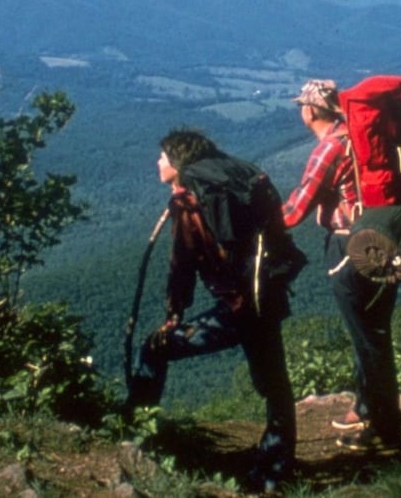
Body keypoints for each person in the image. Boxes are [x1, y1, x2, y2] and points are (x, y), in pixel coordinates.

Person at [124, 128, 299, 492]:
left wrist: (174, 313)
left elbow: (182, 263)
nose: (157, 163)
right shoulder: (238, 179)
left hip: (237, 306)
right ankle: (274, 471)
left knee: (153, 349)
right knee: (274, 384)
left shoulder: (189, 200)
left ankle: (136, 437)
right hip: (266, 294)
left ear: (177, 161)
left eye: (162, 157)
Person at [281, 79, 401, 452]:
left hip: (349, 248)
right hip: (383, 240)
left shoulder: (329, 149)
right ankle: (371, 405)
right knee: (375, 331)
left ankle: (385, 430)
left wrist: (256, 221)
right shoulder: (357, 137)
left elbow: (294, 211)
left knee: (366, 337)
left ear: (310, 110)